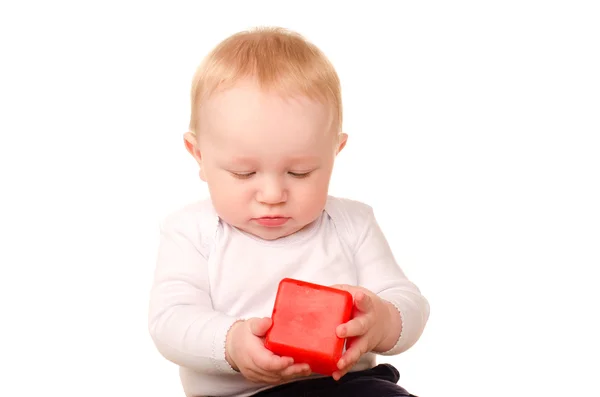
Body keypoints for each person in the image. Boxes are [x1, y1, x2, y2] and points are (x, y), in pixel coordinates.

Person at [148, 26, 430, 397]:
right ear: (199, 155)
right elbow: (170, 321)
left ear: (335, 152)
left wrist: (382, 320)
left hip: (348, 387)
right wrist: (231, 344)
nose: (272, 194)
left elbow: (409, 302)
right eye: (243, 173)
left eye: (300, 173)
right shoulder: (192, 231)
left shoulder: (352, 224)